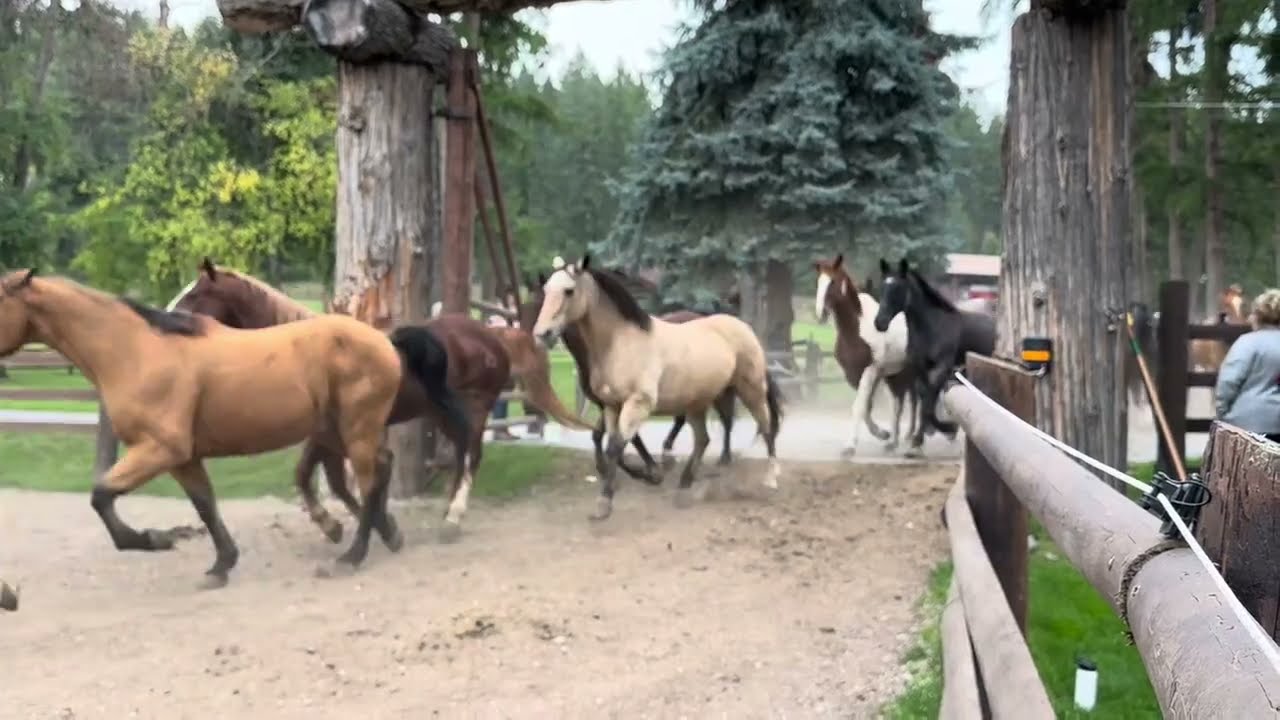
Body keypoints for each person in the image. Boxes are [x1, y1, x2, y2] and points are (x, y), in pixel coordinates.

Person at [1215, 288, 1280, 443]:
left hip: (1247, 425)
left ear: (1257, 316)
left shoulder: (1247, 343)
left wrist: (1223, 414)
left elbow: (1228, 382)